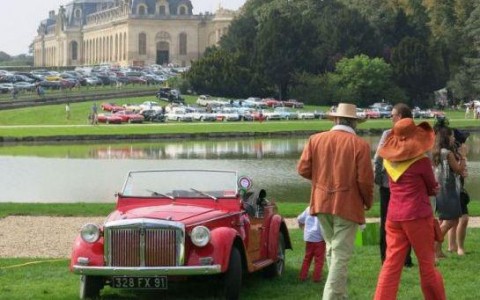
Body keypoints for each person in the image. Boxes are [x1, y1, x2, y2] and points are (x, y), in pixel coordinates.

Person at [297, 103, 374, 299]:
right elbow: (365, 180)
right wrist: (367, 201)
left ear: (336, 119)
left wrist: (321, 181)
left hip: (321, 203)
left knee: (333, 250)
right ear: (354, 122)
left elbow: (303, 170)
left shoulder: (316, 139)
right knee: (340, 255)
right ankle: (331, 297)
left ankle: (340, 296)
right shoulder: (360, 145)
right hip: (347, 206)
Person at [374, 118, 446, 300]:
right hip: (417, 217)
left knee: (391, 265)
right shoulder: (421, 162)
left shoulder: (388, 161)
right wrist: (433, 188)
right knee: (427, 264)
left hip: (394, 216)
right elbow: (432, 186)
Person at [374, 103, 414, 267]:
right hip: (407, 187)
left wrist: (378, 179)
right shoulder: (417, 136)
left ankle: (386, 258)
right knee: (407, 221)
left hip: (389, 186)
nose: (391, 118)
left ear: (399, 117)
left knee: (387, 222)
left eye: (392, 115)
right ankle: (405, 259)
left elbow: (378, 159)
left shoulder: (388, 134)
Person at [432, 123, 467, 259]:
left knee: (445, 219)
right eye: (451, 135)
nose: (453, 138)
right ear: (446, 137)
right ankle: (434, 245)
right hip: (449, 190)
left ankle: (438, 251)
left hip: (441, 190)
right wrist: (463, 156)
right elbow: (458, 170)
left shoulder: (437, 151)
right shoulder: (448, 153)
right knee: (450, 221)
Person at [447, 129, 470, 255]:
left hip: (456, 188)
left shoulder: (454, 153)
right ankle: (459, 247)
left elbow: (461, 171)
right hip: (454, 190)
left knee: (453, 219)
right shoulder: (452, 153)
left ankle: (452, 246)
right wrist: (463, 157)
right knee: (463, 218)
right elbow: (458, 170)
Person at [297, 206, 326, 283]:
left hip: (309, 238)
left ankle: (302, 276)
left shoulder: (308, 208)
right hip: (319, 239)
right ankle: (317, 278)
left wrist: (302, 226)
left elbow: (299, 219)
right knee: (319, 260)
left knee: (307, 258)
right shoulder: (323, 209)